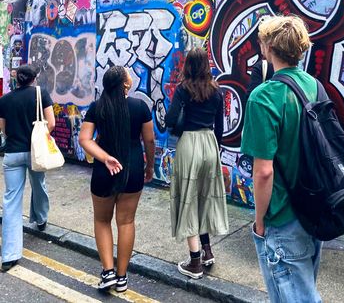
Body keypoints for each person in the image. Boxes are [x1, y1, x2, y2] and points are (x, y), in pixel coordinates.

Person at [241, 15, 322, 303]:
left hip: (282, 214)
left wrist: (259, 221)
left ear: (267, 47)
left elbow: (263, 172)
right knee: (304, 288)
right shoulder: (314, 86)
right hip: (313, 208)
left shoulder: (263, 97)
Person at [79, 66, 155, 292]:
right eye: (128, 74)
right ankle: (122, 278)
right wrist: (149, 166)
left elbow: (85, 139)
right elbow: (149, 141)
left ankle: (108, 272)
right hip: (132, 169)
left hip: (104, 172)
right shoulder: (140, 107)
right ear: (125, 84)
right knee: (126, 222)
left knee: (102, 221)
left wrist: (105, 158)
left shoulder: (97, 107)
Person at [165, 47, 228, 280]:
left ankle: (195, 263)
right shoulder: (216, 90)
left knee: (188, 200)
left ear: (188, 65)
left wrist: (181, 126)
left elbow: (170, 120)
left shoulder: (183, 90)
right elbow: (220, 127)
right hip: (210, 144)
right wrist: (216, 149)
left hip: (190, 144)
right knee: (204, 198)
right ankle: (207, 251)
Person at [0, 64, 55, 271]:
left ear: (17, 79)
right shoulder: (41, 94)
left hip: (13, 153)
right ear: (35, 78)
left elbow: (3, 128)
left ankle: (9, 256)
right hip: (35, 151)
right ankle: (41, 219)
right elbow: (51, 123)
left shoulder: (4, 99)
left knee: (12, 200)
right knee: (38, 184)